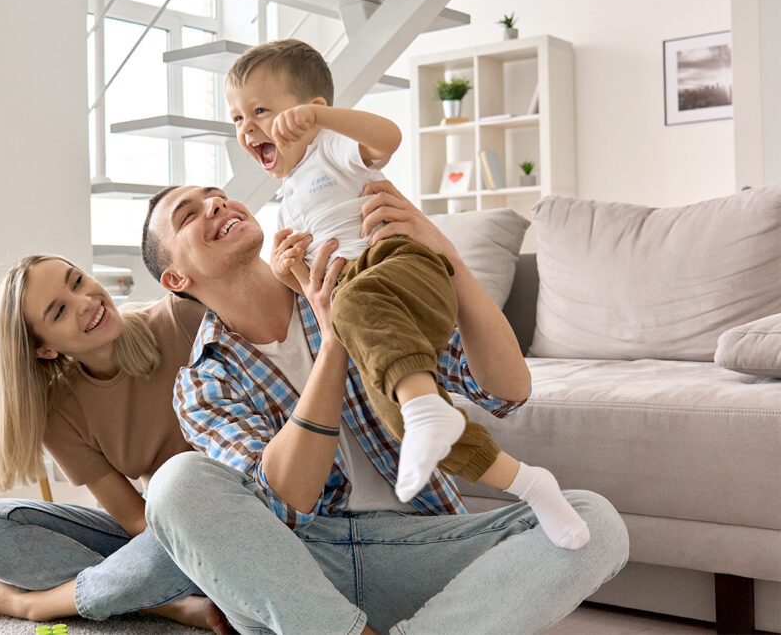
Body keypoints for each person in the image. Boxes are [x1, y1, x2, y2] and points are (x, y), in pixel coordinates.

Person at [139, 181, 629, 633]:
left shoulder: (356, 284)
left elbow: (506, 390)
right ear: (175, 279)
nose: (215, 205)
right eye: (188, 215)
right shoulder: (202, 383)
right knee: (175, 484)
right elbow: (289, 499)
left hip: (422, 549)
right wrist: (332, 340)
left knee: (596, 522)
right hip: (303, 573)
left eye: (217, 194)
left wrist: (448, 257)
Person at [222, 38, 587, 548]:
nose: (248, 128)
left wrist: (322, 120)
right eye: (237, 118)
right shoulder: (284, 206)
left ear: (312, 111)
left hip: (399, 265)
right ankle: (530, 484)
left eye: (260, 110)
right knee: (401, 418)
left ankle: (425, 414)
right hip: (356, 299)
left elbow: (387, 137)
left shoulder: (331, 148)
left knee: (355, 304)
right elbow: (325, 300)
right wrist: (298, 279)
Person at [0, 254, 227, 632]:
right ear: (44, 349)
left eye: (77, 281)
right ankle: (169, 605)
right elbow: (136, 520)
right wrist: (160, 557)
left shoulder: (182, 317)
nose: (86, 302)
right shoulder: (59, 412)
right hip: (167, 532)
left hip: (239, 515)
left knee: (193, 542)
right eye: (59, 311)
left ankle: (30, 605)